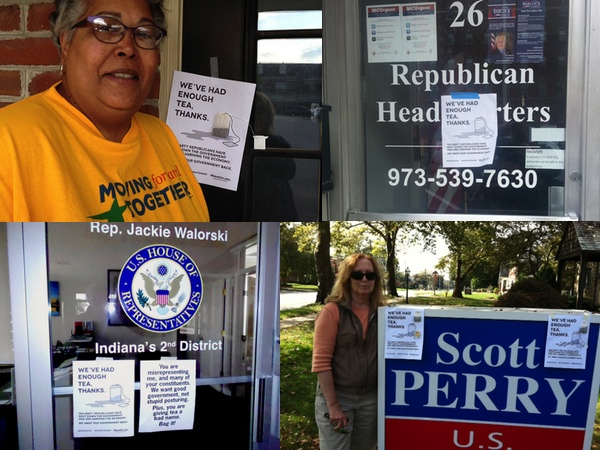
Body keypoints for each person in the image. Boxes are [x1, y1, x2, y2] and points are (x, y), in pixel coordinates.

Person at [0, 0, 210, 221]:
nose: (128, 48)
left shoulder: (161, 134)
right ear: (66, 44)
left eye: (144, 34)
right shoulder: (8, 142)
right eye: (106, 27)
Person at [312, 253, 386, 450]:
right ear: (347, 278)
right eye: (357, 275)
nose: (364, 279)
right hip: (338, 397)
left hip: (371, 399)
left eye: (370, 275)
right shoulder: (332, 311)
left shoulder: (385, 313)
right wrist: (333, 405)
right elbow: (321, 363)